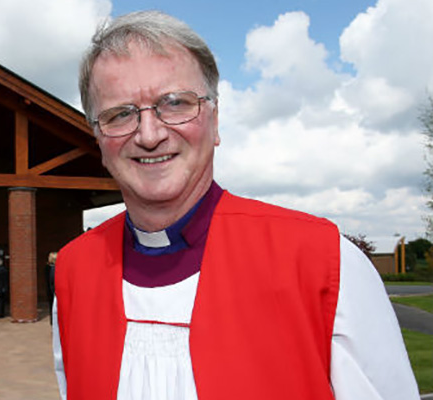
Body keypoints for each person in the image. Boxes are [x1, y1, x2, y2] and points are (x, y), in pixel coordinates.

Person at [52, 10, 418, 400]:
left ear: (215, 120)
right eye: (120, 114)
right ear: (98, 138)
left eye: (174, 103)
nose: (149, 134)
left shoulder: (323, 262)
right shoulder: (75, 272)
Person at [45, 252, 57, 325]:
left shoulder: (47, 267)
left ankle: (52, 321)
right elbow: (53, 281)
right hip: (53, 291)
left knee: (51, 306)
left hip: (49, 290)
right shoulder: (54, 269)